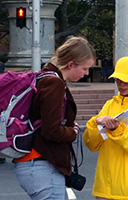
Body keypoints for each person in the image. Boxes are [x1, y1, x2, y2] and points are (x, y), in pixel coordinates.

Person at [14, 36, 96, 199]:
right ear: (71, 64)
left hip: (35, 164)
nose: (86, 74)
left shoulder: (44, 77)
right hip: (41, 164)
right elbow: (51, 130)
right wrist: (72, 132)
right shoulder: (54, 83)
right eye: (85, 68)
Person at [83, 56, 128, 200]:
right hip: (106, 185)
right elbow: (92, 144)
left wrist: (117, 129)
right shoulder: (109, 105)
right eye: (118, 80)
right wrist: (95, 123)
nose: (121, 84)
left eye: (126, 80)